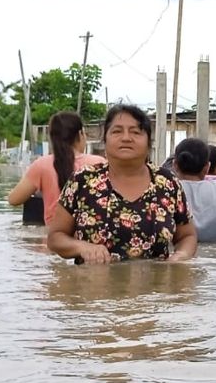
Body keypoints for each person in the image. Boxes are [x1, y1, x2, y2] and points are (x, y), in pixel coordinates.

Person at [47, 103, 196, 263]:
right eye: (117, 131)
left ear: (148, 143)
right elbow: (55, 238)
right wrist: (83, 247)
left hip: (156, 286)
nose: (126, 138)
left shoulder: (167, 182)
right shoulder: (82, 180)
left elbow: (187, 236)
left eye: (136, 132)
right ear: (105, 140)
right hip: (92, 284)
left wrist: (181, 256)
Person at [6, 111, 105, 225]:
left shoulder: (41, 165)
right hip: (89, 235)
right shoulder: (99, 163)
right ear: (80, 134)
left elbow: (14, 200)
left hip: (53, 237)